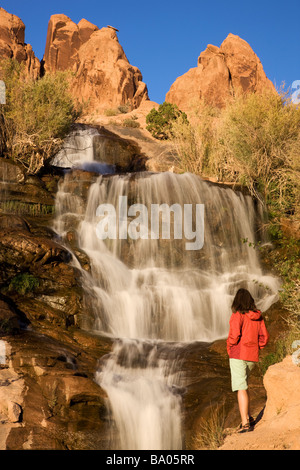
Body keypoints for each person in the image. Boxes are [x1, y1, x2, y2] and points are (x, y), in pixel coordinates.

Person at [227, 288, 269, 433]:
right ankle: (249, 416)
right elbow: (264, 337)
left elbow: (234, 335)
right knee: (244, 386)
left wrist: (230, 346)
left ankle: (245, 423)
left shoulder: (237, 315)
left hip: (238, 354)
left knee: (241, 388)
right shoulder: (258, 317)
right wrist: (258, 347)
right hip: (251, 356)